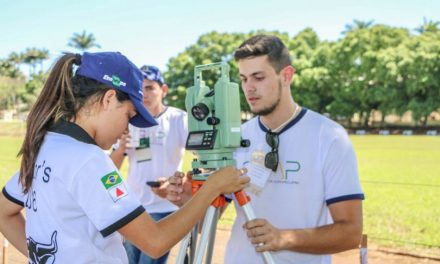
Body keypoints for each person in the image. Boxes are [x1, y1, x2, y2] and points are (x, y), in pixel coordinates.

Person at [0, 52, 249, 264]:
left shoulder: (47, 144)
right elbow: (155, 241)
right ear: (109, 99)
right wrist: (212, 187)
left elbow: (3, 212)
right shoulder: (88, 159)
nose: (126, 129)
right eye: (129, 115)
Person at [167, 35, 364, 263]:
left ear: (286, 76)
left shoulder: (329, 137)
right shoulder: (234, 137)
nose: (249, 88)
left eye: (258, 77)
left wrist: (285, 238)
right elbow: (206, 224)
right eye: (243, 79)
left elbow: (351, 233)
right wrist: (191, 199)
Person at [110, 64, 188, 264]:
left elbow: (202, 156)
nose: (144, 94)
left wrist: (176, 184)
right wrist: (120, 149)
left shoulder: (179, 119)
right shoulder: (129, 119)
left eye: (150, 87)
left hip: (165, 209)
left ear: (163, 89)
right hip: (133, 207)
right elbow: (110, 168)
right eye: (140, 88)